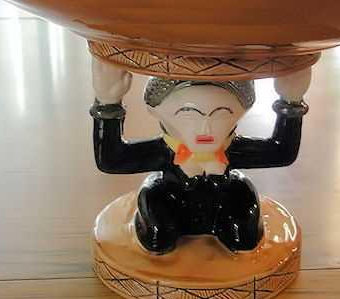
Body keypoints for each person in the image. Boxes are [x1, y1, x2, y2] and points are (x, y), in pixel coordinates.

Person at [90, 60, 311, 254]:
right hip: (170, 201)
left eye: (221, 114)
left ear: (242, 111)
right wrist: (108, 103)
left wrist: (291, 101)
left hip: (225, 203)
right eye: (188, 115)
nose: (205, 128)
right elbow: (112, 160)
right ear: (155, 110)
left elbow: (282, 152)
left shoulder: (233, 150)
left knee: (244, 236)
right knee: (158, 236)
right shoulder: (163, 152)